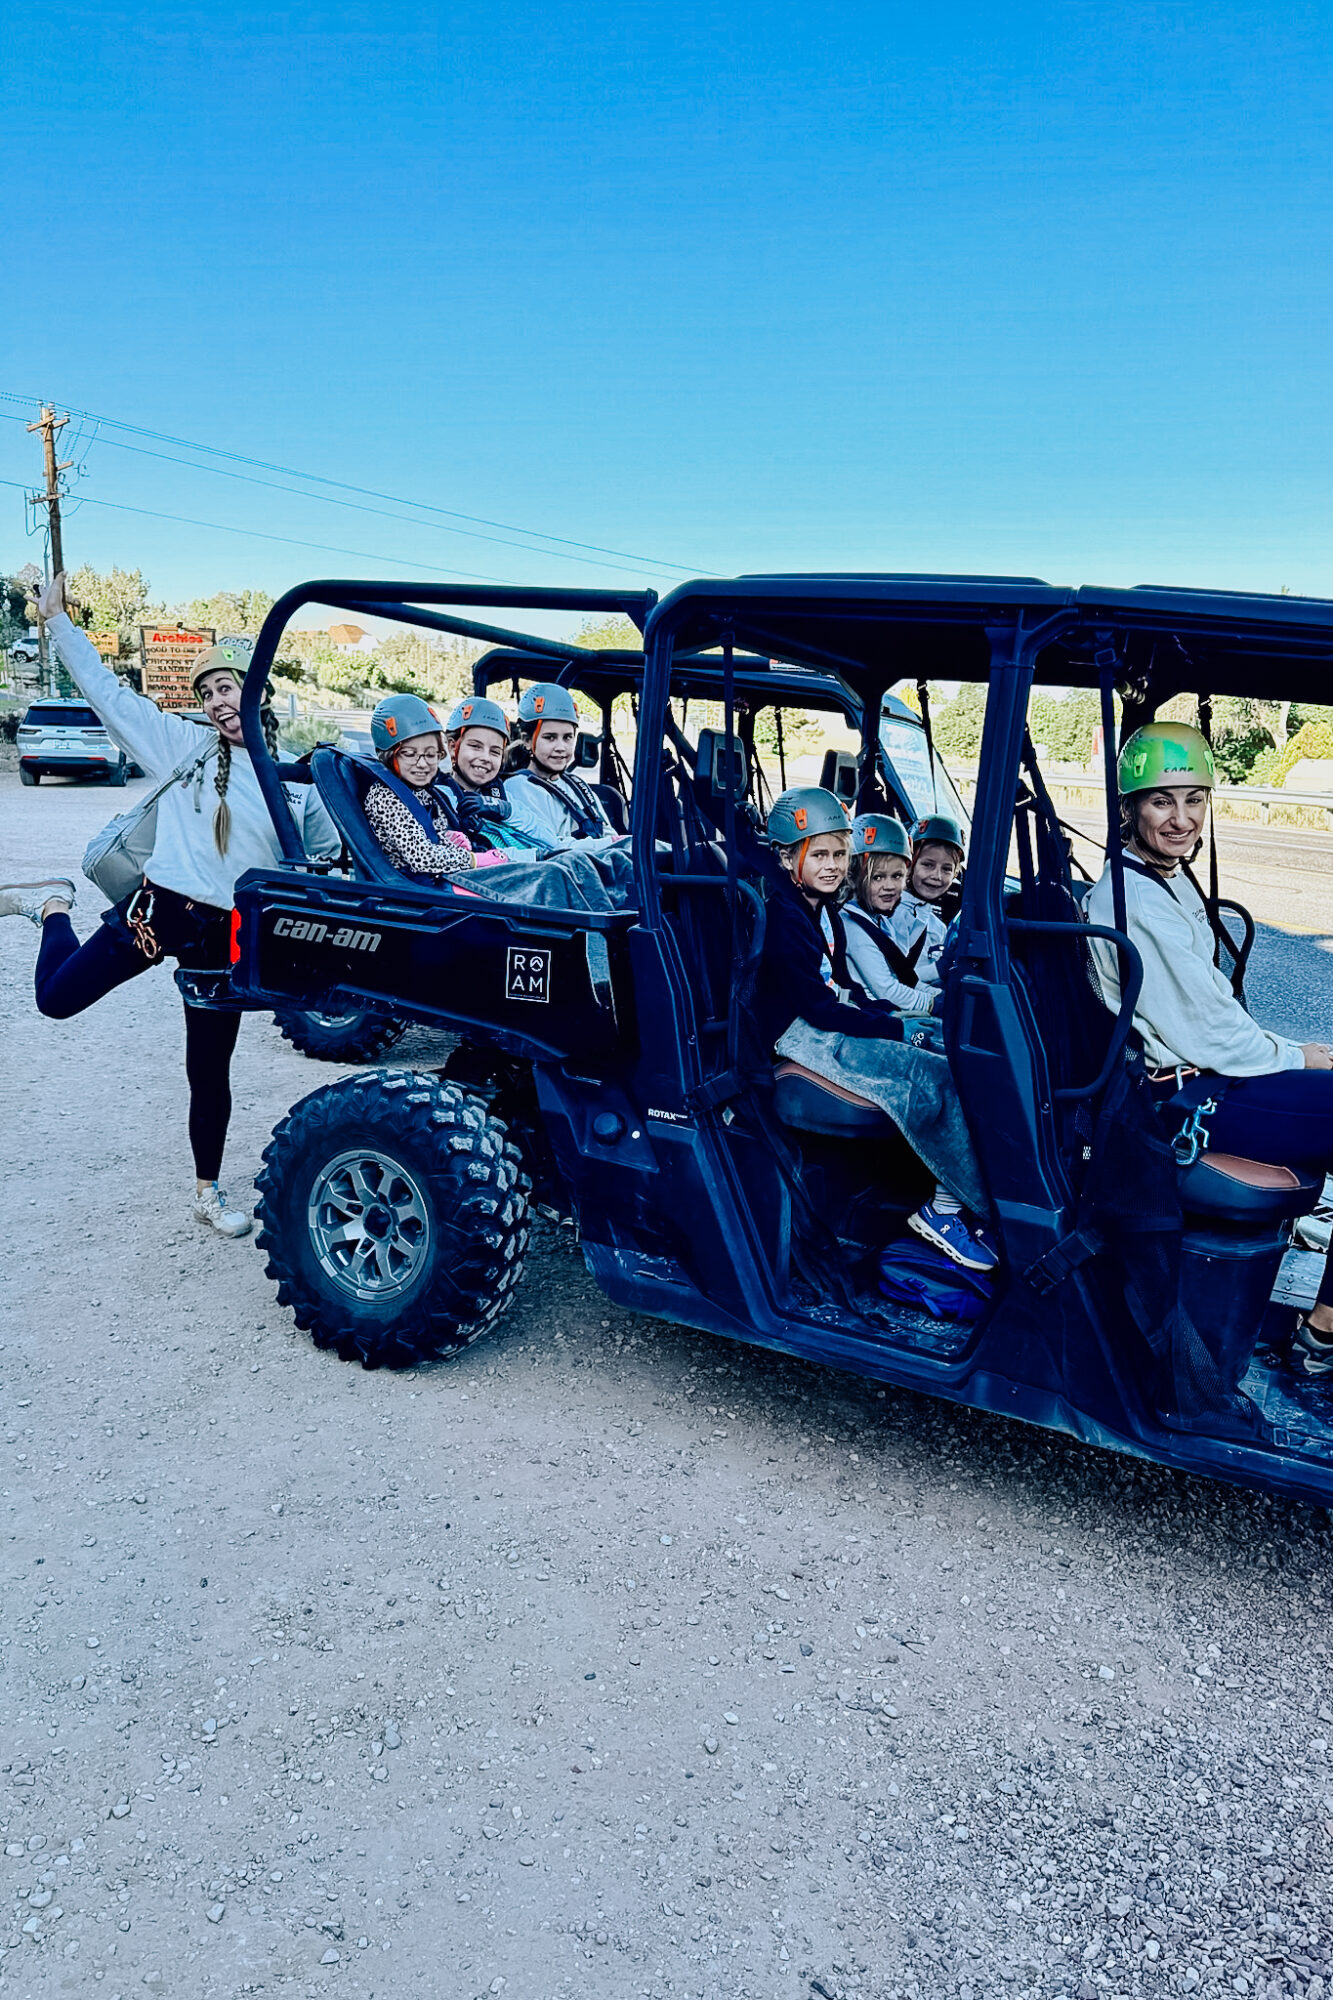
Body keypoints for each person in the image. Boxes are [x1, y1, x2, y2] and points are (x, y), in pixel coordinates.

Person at [0, 572, 339, 1237]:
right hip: (156, 918)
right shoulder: (183, 749)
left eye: (229, 687)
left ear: (259, 690)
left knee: (208, 1072)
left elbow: (327, 864)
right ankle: (51, 908)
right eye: (208, 691)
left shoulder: (302, 778)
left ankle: (205, 1194)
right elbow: (107, 693)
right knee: (56, 1000)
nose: (218, 701)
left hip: (224, 944)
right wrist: (58, 623)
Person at [1087, 720, 1333, 1374]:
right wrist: (1297, 1057)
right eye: (1160, 801)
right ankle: (1324, 1329)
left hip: (1206, 1079)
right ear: (1128, 809)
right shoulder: (1134, 898)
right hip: (1181, 1103)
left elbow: (1215, 1012)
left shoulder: (1163, 882)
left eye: (1193, 799)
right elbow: (1210, 1033)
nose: (1180, 818)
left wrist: (1292, 1049)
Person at [756, 788, 995, 1272]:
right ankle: (944, 1211)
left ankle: (971, 1199)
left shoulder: (820, 910)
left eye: (839, 854)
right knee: (938, 1081)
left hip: (825, 1018)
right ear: (786, 858)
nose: (831, 865)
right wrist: (895, 1030)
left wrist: (902, 1021)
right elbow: (821, 1008)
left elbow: (843, 986)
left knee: (957, 1055)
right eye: (818, 854)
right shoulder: (785, 918)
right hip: (800, 1034)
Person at [361, 693, 479, 879]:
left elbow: (434, 833)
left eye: (431, 755)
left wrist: (448, 839)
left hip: (440, 878)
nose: (423, 764)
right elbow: (422, 858)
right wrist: (474, 860)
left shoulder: (426, 792)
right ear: (388, 755)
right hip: (412, 887)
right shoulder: (385, 797)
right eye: (409, 754)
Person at [504, 683, 620, 849]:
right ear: (527, 740)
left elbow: (610, 835)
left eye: (567, 737)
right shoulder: (518, 788)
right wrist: (608, 844)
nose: (561, 747)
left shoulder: (578, 785)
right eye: (550, 738)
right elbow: (551, 847)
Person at [840, 814, 936, 1016]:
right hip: (873, 1012)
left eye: (897, 876)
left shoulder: (880, 921)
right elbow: (887, 990)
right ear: (853, 876)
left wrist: (941, 995)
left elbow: (907, 978)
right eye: (878, 877)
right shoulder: (851, 926)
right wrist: (934, 1004)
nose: (890, 886)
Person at [437, 696, 547, 859]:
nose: (485, 758)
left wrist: (505, 810)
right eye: (475, 746)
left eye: (494, 752)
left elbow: (549, 840)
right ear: (453, 747)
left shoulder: (501, 797)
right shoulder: (440, 797)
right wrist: (534, 856)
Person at [892, 813, 965, 993]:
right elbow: (887, 980)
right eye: (928, 865)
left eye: (947, 869)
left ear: (955, 874)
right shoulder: (892, 915)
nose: (937, 876)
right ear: (909, 864)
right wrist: (938, 970)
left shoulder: (937, 926)